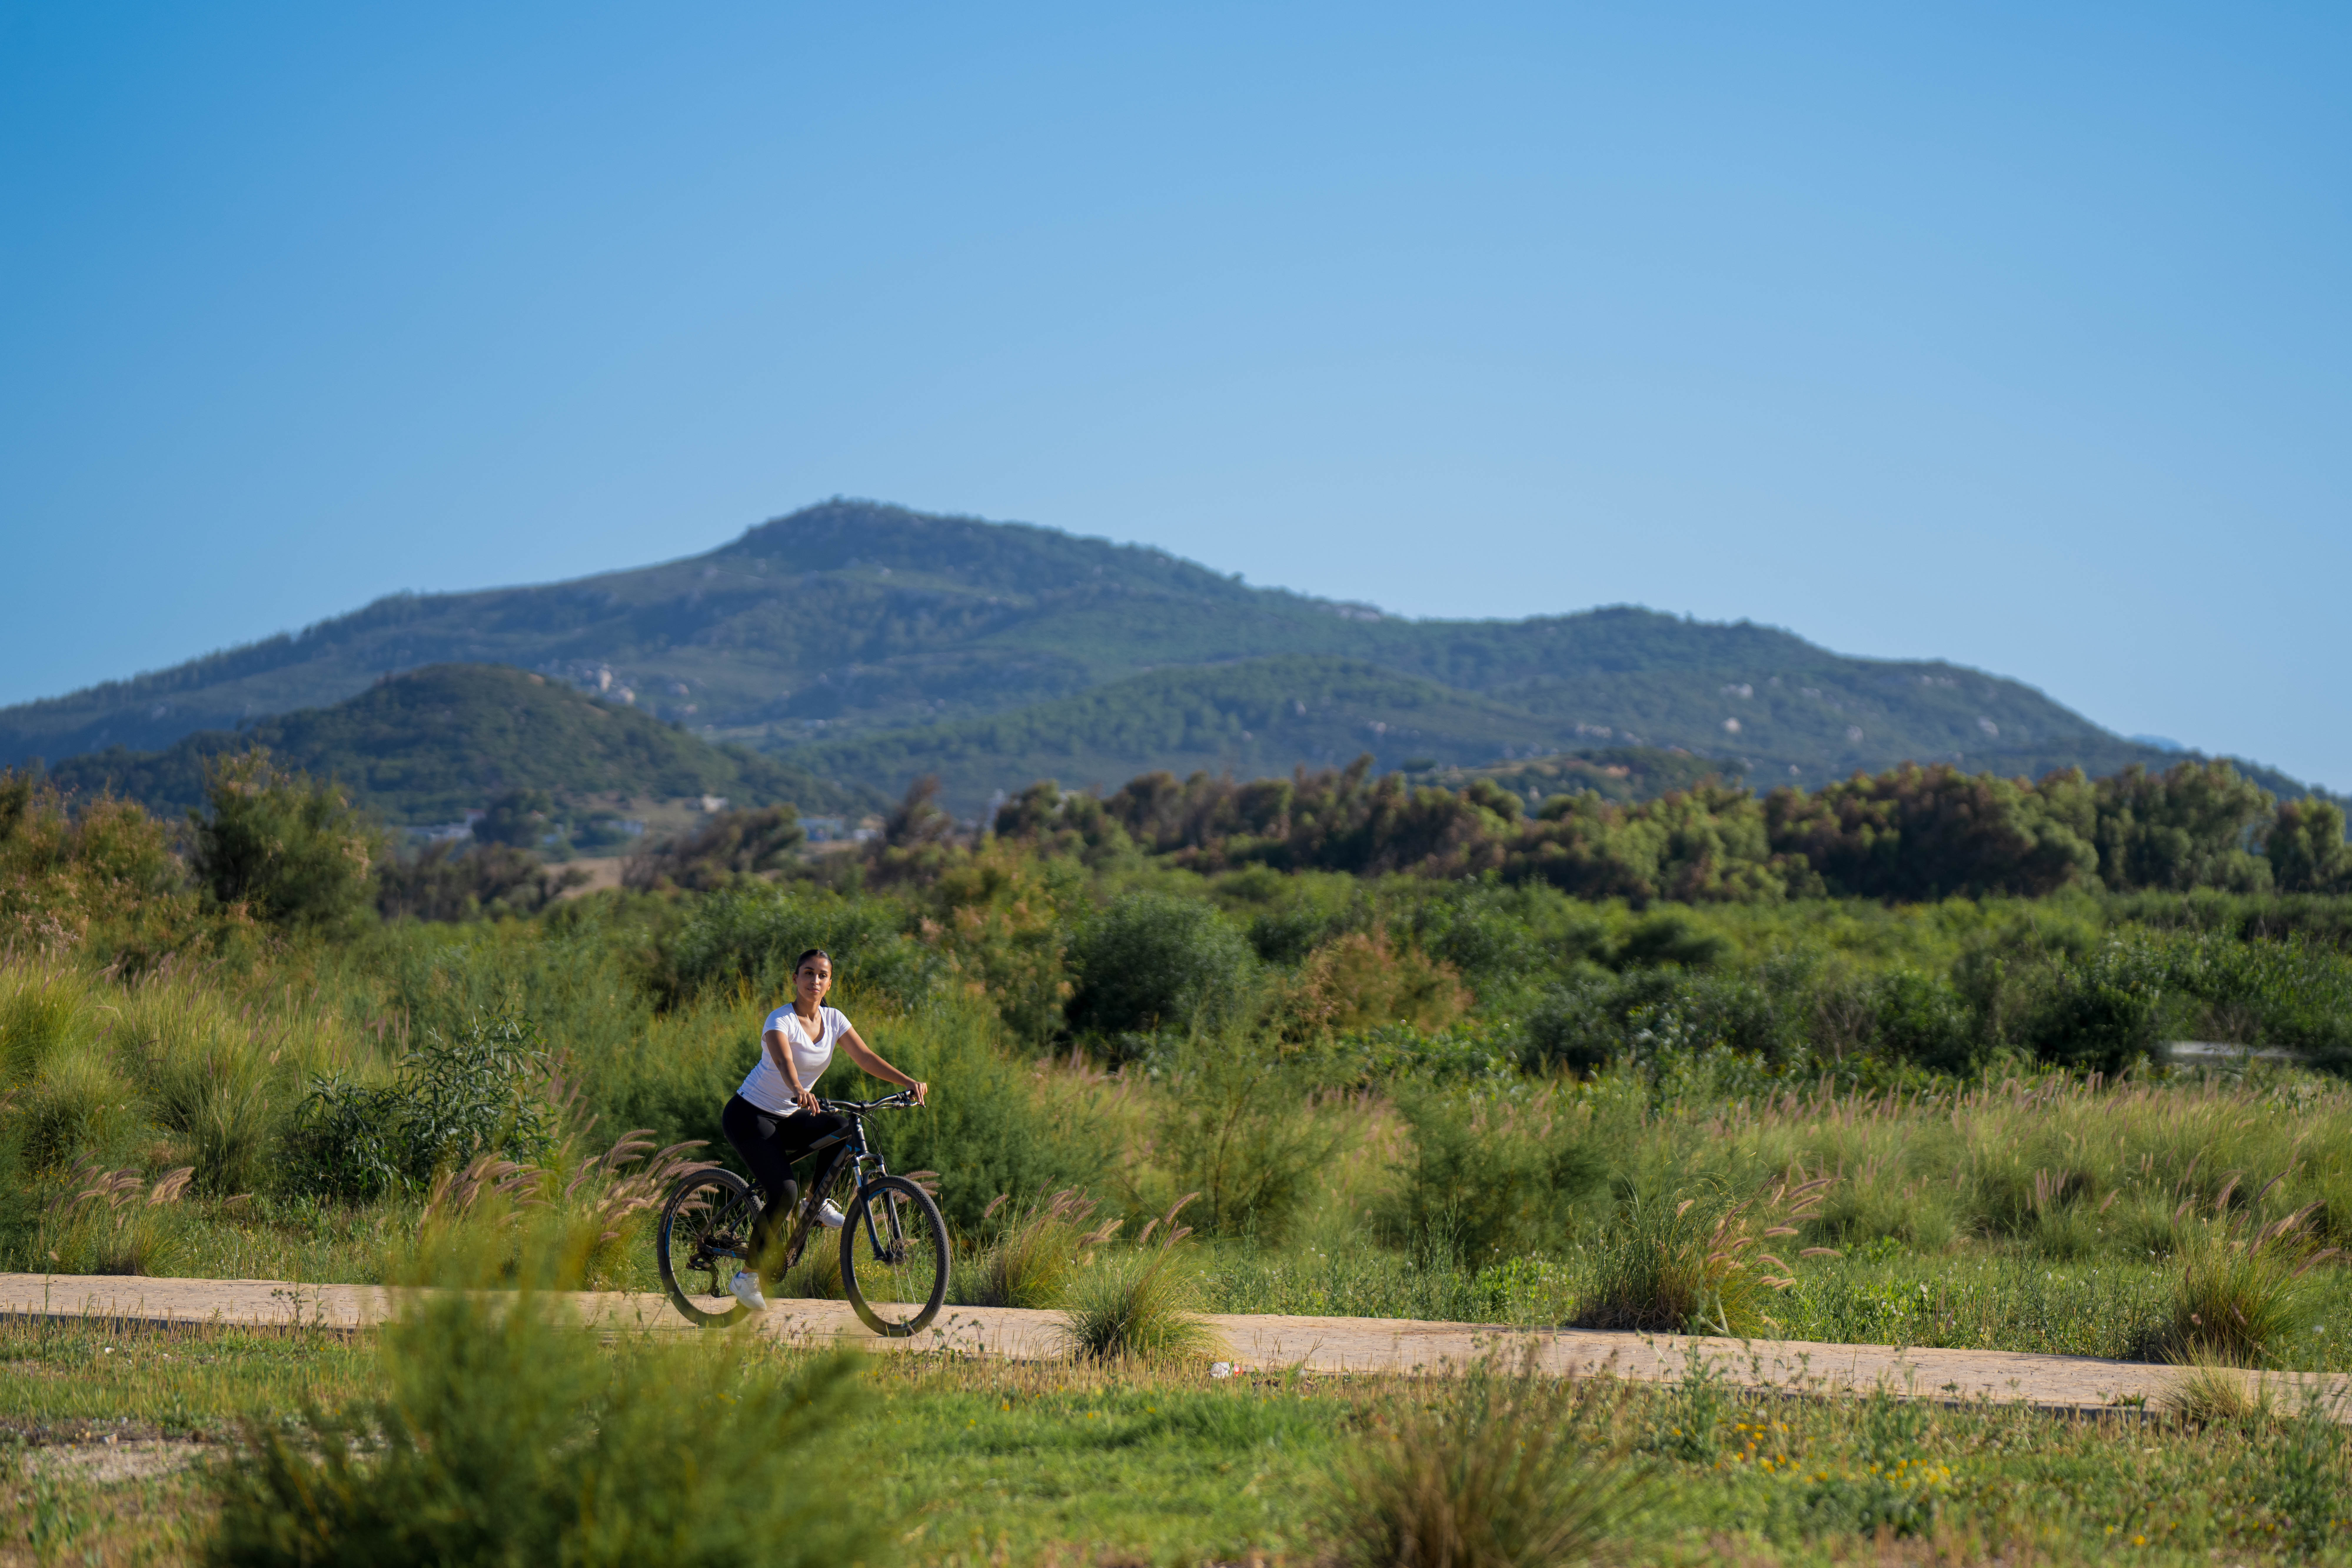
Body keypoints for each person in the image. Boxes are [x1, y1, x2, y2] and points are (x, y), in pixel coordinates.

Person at [719, 947, 927, 1311]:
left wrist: (907, 1081)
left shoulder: (834, 1020)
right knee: (782, 1191)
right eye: (807, 973)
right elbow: (784, 1060)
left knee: (842, 1125)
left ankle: (814, 1203)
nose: (815, 980)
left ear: (830, 982)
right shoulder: (779, 1020)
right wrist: (798, 1087)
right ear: (795, 979)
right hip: (749, 1114)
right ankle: (747, 1276)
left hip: (788, 1115)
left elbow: (864, 1057)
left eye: (822, 975)